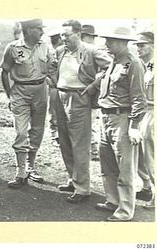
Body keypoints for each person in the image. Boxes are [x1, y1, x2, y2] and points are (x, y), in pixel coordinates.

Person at [51, 20, 111, 202]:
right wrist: (53, 80)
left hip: (79, 98)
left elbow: (111, 67)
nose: (63, 39)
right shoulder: (60, 51)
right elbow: (54, 69)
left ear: (77, 34)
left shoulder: (91, 50)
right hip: (60, 97)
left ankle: (83, 188)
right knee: (64, 141)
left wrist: (94, 86)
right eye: (61, 35)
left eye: (66, 35)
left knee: (79, 143)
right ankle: (73, 179)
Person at [95, 27, 147, 221]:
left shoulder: (134, 64)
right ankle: (112, 201)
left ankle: (125, 210)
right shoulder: (113, 62)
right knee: (107, 164)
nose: (107, 43)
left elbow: (138, 98)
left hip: (122, 119)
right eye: (107, 40)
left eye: (112, 40)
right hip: (106, 117)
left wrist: (134, 126)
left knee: (125, 168)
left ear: (124, 43)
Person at [2, 19, 51, 188]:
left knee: (37, 131)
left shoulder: (45, 46)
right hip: (20, 92)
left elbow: (53, 69)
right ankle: (20, 172)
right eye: (39, 29)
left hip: (40, 91)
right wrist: (10, 96)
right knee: (21, 132)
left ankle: (31, 166)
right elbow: (5, 72)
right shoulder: (13, 48)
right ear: (28, 30)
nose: (42, 32)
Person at [133, 31, 155, 209]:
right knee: (140, 154)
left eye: (143, 44)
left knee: (151, 156)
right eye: (137, 45)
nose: (138, 48)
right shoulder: (140, 64)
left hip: (152, 113)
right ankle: (147, 186)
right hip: (141, 112)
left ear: (153, 45)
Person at [81, 24, 101, 161]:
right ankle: (89, 148)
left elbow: (103, 72)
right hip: (82, 91)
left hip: (94, 91)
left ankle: (93, 150)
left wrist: (94, 85)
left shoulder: (96, 51)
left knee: (91, 122)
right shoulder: (81, 50)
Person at [48, 29, 64, 143]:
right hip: (55, 85)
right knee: (54, 111)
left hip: (58, 85)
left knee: (56, 111)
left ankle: (57, 134)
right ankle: (55, 134)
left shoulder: (54, 52)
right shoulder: (53, 53)